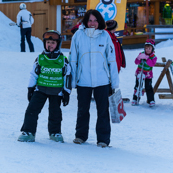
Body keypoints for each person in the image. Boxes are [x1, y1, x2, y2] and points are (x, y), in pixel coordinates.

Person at [69, 9, 119, 148]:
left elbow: (111, 60)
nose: (92, 23)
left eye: (95, 20)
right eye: (90, 20)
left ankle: (103, 139)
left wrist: (114, 81)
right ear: (86, 21)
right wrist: (73, 80)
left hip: (102, 81)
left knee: (103, 111)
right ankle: (80, 136)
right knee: (82, 110)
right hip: (83, 80)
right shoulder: (78, 35)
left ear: (99, 22)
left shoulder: (105, 36)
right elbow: (73, 59)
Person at [18, 30, 72, 143]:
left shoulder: (63, 60)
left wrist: (67, 92)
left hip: (56, 91)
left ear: (58, 44)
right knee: (32, 110)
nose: (50, 45)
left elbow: (67, 76)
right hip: (40, 89)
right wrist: (30, 88)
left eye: (53, 43)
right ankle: (28, 132)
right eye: (48, 42)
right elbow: (34, 74)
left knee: (55, 113)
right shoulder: (40, 58)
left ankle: (55, 132)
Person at [131, 39, 157, 107]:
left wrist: (147, 58)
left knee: (148, 87)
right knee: (138, 86)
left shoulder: (153, 57)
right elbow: (136, 62)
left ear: (152, 49)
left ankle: (151, 100)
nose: (147, 50)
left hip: (148, 75)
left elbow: (151, 64)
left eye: (149, 48)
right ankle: (135, 99)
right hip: (140, 73)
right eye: (146, 48)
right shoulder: (141, 54)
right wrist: (138, 58)